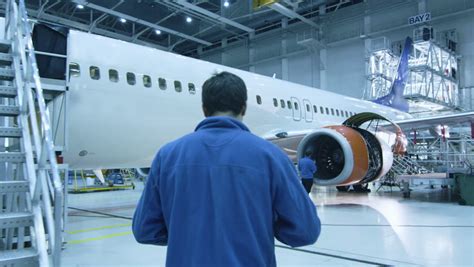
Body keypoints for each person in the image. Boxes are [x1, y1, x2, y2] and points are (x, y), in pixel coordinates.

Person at [132, 71, 321, 266]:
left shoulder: (166, 155)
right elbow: (305, 232)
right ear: (243, 108)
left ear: (205, 109)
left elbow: (144, 230)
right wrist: (261, 224)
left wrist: (186, 235)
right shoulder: (271, 156)